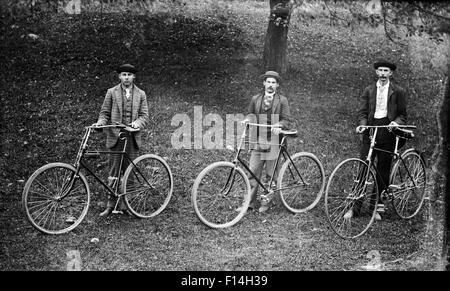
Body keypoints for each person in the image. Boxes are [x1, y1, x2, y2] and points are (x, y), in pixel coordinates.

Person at [344, 59, 407, 221]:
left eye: (386, 71)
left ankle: (375, 208)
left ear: (391, 73)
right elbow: (363, 112)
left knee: (382, 170)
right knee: (363, 168)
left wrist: (395, 123)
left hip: (388, 131)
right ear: (376, 72)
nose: (383, 74)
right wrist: (363, 125)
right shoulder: (369, 90)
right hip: (372, 131)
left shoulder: (397, 91)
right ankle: (355, 207)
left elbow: (402, 115)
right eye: (380, 70)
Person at [93, 63, 149, 217]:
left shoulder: (141, 94)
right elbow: (104, 113)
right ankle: (111, 205)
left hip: (131, 138)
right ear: (119, 76)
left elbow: (145, 116)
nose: (126, 78)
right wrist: (100, 123)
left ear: (134, 76)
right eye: (124, 74)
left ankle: (127, 206)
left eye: (129, 75)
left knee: (129, 172)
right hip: (116, 137)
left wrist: (136, 123)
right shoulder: (111, 92)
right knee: (114, 173)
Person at [242, 71, 294, 213]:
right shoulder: (256, 99)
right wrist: (248, 119)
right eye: (268, 82)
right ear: (264, 83)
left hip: (274, 141)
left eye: (273, 82)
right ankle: (249, 203)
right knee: (252, 173)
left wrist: (280, 126)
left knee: (271, 175)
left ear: (277, 85)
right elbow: (250, 114)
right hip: (258, 141)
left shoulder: (282, 100)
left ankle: (266, 201)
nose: (270, 85)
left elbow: (287, 120)